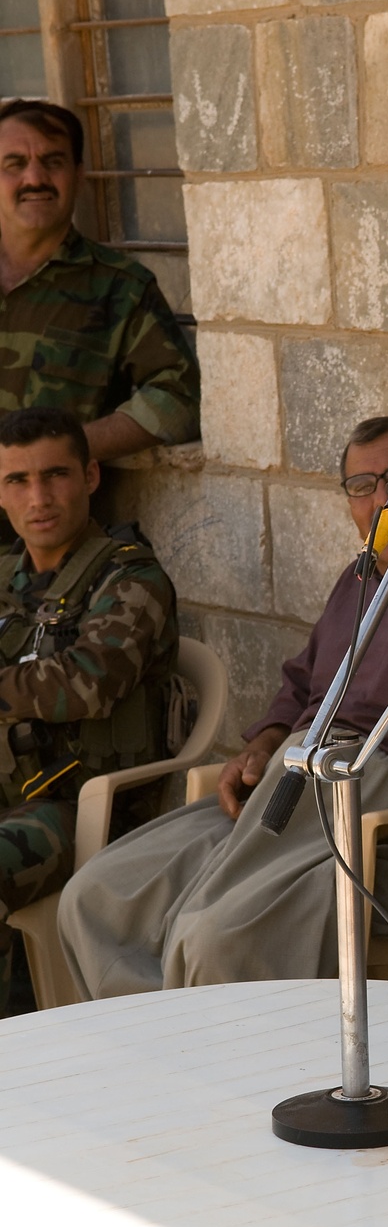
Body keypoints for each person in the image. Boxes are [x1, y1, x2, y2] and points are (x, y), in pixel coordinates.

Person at [58, 414, 388, 998]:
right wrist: (262, 742)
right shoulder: (358, 578)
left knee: (214, 938)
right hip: (293, 779)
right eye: (362, 489)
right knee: (96, 898)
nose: (385, 501)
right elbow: (302, 681)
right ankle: (159, 1054)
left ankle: (207, 1059)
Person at [0, 405, 178, 1012]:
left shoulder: (132, 578)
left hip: (80, 808)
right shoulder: (6, 577)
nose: (39, 497)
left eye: (55, 475)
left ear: (91, 477)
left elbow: (87, 684)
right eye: (17, 481)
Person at [0, 99, 199, 461]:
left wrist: (67, 448)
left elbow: (182, 397)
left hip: (43, 514)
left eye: (53, 161)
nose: (34, 178)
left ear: (78, 175)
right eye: (14, 164)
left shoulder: (120, 289)